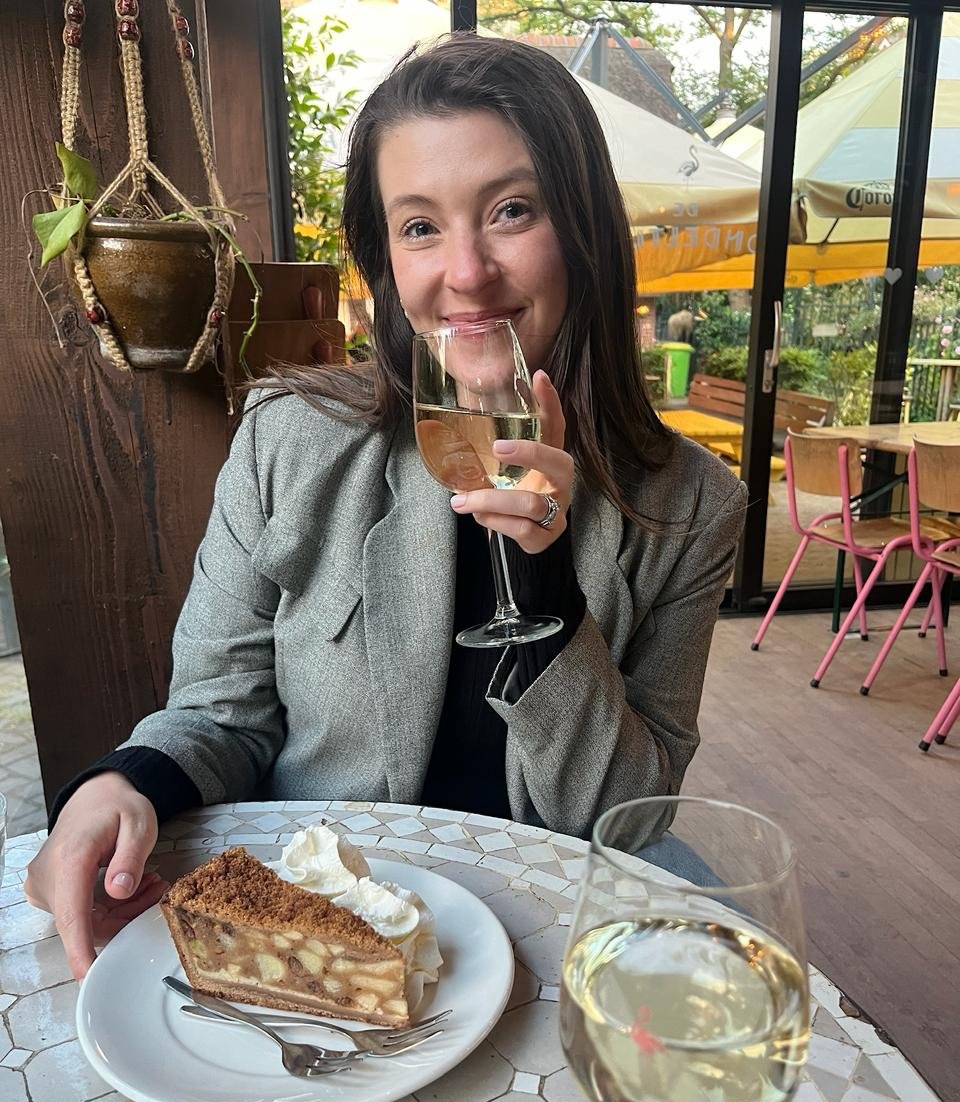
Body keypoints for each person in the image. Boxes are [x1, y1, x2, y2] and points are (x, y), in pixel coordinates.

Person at [25, 33, 746, 978]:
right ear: (383, 262)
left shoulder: (691, 506)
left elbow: (631, 817)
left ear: (585, 231)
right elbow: (217, 711)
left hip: (550, 925)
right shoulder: (288, 441)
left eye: (513, 211)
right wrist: (128, 781)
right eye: (418, 226)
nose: (467, 271)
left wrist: (543, 586)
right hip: (327, 915)